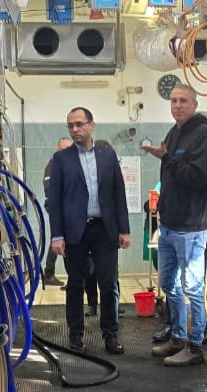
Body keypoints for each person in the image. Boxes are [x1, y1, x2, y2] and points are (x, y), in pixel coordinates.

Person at [141, 84, 207, 367]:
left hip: (191, 226)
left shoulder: (204, 135)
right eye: (173, 101)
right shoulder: (174, 132)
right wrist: (161, 209)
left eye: (183, 100)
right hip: (169, 225)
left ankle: (195, 347)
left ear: (195, 104)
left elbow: (197, 177)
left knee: (193, 288)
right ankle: (177, 337)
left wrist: (166, 157)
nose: (177, 105)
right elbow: (170, 177)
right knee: (168, 284)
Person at [49, 106, 131, 354]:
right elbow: (55, 200)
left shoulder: (108, 156)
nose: (75, 129)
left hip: (104, 229)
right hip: (75, 231)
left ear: (91, 125)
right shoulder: (61, 160)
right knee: (75, 284)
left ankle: (110, 335)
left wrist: (124, 229)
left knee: (108, 283)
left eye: (79, 124)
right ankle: (75, 335)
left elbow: (118, 194)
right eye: (70, 126)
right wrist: (57, 235)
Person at [43, 137, 72, 286]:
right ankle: (54, 275)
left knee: (60, 239)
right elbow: (50, 189)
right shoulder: (53, 165)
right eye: (64, 149)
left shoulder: (67, 164)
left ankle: (50, 273)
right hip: (57, 207)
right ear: (58, 150)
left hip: (67, 207)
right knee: (65, 239)